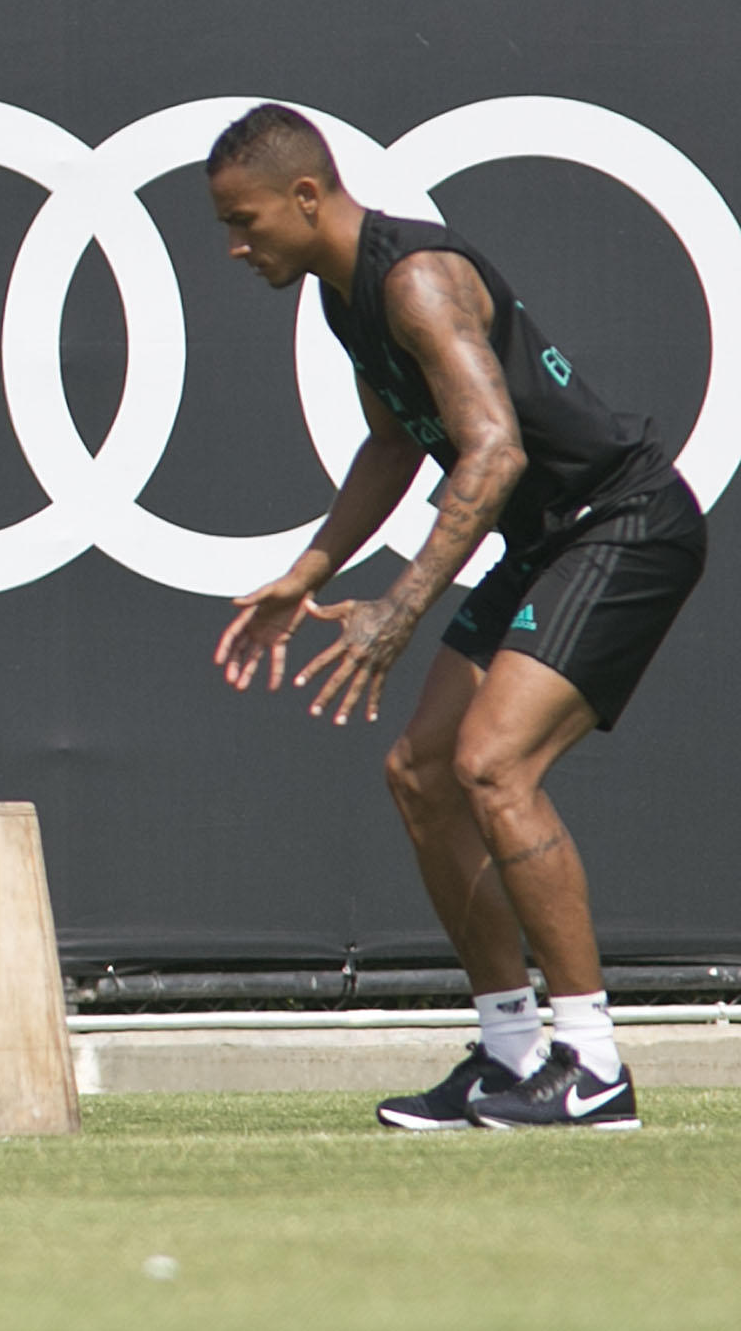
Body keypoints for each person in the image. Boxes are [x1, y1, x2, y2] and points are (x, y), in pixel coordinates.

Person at [206, 104, 703, 1132]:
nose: (236, 245)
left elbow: (495, 450)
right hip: (548, 540)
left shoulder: (414, 280)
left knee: (491, 766)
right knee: (422, 773)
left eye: (248, 220)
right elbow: (395, 444)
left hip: (621, 522)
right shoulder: (347, 298)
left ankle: (593, 1064)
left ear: (309, 196)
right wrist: (310, 570)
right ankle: (511, 1051)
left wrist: (396, 609)